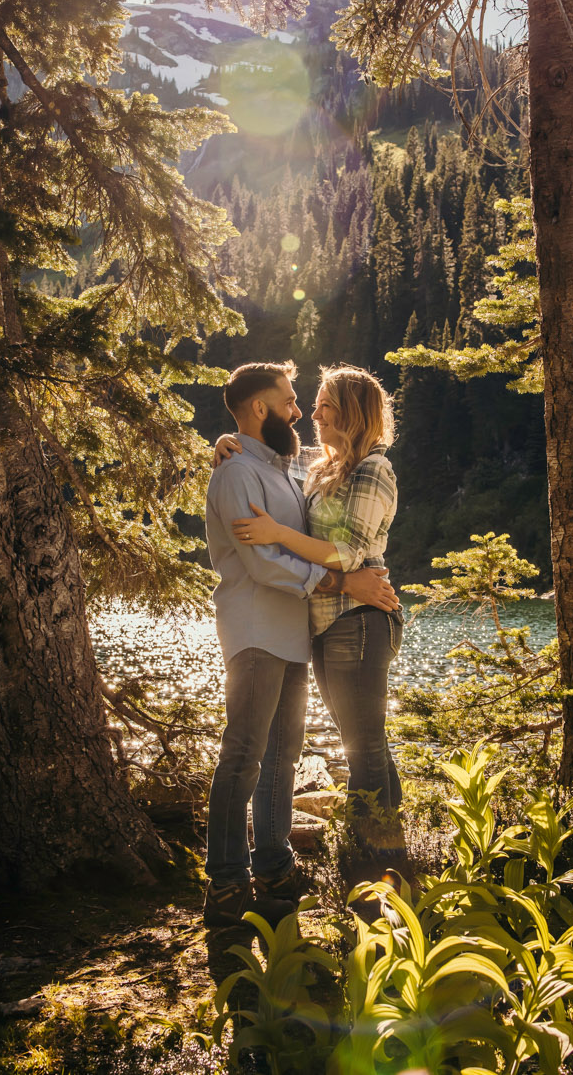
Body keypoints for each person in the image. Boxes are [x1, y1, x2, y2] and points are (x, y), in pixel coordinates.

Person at [202, 362, 399, 929]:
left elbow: (328, 539)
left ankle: (275, 865)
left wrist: (229, 440)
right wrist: (343, 583)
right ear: (261, 408)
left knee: (284, 757)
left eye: (307, 402)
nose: (300, 412)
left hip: (294, 633)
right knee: (243, 756)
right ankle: (226, 880)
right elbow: (264, 563)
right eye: (290, 401)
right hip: (258, 630)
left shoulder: (286, 469)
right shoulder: (240, 472)